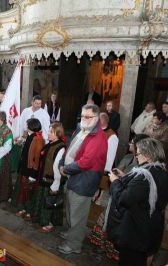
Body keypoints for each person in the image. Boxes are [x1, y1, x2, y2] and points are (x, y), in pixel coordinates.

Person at [88, 134, 149, 261]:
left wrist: (122, 177)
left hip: (125, 198)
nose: (129, 144)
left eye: (132, 142)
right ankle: (102, 246)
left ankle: (113, 251)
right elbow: (122, 171)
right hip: (117, 193)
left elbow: (134, 185)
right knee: (105, 220)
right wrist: (119, 174)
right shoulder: (128, 157)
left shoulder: (144, 167)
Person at [107, 138, 168, 266]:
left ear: (147, 155)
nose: (136, 156)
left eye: (138, 153)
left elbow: (124, 199)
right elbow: (142, 194)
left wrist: (115, 181)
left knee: (130, 261)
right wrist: (125, 177)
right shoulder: (161, 171)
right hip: (150, 227)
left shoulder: (144, 176)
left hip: (135, 231)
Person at [57, 104, 107, 254]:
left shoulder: (98, 137)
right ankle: (72, 233)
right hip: (73, 175)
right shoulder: (81, 129)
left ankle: (74, 244)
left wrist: (65, 169)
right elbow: (69, 147)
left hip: (85, 179)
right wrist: (61, 163)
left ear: (97, 117)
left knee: (78, 213)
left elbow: (86, 162)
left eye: (88, 117)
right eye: (82, 116)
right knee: (71, 207)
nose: (84, 119)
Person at [33, 122, 66, 233]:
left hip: (52, 181)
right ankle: (43, 221)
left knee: (51, 203)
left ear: (58, 133)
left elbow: (57, 168)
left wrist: (55, 185)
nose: (49, 133)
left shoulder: (60, 148)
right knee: (44, 202)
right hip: (45, 179)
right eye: (49, 131)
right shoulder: (51, 143)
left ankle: (50, 224)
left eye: (51, 132)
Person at [11, 118, 44, 221]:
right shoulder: (31, 136)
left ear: (31, 126)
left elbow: (37, 158)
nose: (26, 126)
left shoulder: (37, 138)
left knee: (29, 192)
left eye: (27, 125)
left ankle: (29, 212)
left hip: (30, 171)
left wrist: (33, 174)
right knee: (23, 190)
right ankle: (23, 209)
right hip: (25, 169)